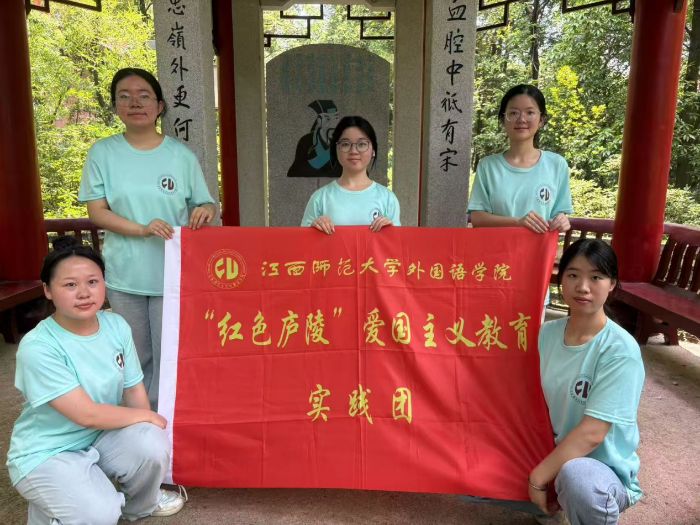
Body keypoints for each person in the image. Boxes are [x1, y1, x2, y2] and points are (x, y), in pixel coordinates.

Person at [6, 236, 186, 524]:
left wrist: (146, 425)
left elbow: (133, 389)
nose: (84, 293)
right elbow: (86, 414)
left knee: (151, 440)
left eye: (92, 282)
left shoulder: (116, 325)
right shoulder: (38, 346)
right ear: (48, 290)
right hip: (49, 450)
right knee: (100, 515)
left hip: (100, 436)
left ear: (104, 283)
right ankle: (56, 507)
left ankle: (141, 504)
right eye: (70, 285)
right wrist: (146, 416)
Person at [79, 68, 216, 409]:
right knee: (134, 355)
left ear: (159, 106)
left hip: (173, 275)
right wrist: (142, 229)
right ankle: (138, 421)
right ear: (115, 107)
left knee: (172, 354)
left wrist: (205, 211)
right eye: (124, 96)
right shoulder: (102, 153)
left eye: (144, 96)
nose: (134, 103)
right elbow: (97, 212)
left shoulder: (180, 156)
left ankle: (168, 422)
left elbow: (205, 203)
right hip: (125, 275)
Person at [531, 239, 645, 525]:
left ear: (612, 284)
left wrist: (537, 478)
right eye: (573, 275)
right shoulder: (546, 334)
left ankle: (580, 505)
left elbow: (593, 433)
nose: (583, 287)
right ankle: (555, 505)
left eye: (596, 277)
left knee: (578, 479)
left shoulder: (619, 350)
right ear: (561, 280)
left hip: (600, 470)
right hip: (553, 452)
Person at [468, 84, 572, 234]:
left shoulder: (557, 164)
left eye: (530, 112)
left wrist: (562, 221)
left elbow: (559, 214)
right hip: (497, 249)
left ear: (541, 120)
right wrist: (518, 222)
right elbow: (477, 219)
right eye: (513, 113)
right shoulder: (488, 166)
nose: (522, 119)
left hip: (540, 248)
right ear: (503, 119)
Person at [301, 115, 400, 233]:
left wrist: (390, 231)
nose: (353, 151)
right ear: (336, 149)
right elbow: (302, 242)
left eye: (362, 144)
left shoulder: (388, 198)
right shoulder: (320, 198)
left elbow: (397, 243)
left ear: (373, 150)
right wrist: (313, 229)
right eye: (345, 144)